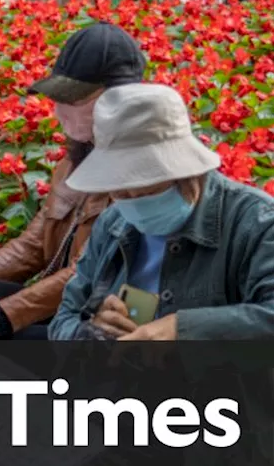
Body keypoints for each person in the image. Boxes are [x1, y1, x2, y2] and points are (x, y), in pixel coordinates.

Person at [0, 24, 146, 341]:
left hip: (98, 316)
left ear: (115, 100)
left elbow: (87, 272)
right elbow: (33, 245)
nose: (59, 110)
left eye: (73, 100)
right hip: (60, 305)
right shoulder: (73, 160)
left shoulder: (140, 173)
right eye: (58, 98)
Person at [49, 84, 274, 341]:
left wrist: (183, 329)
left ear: (188, 172)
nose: (133, 202)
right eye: (120, 192)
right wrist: (91, 332)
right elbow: (64, 318)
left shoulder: (256, 222)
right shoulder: (113, 223)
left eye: (148, 190)